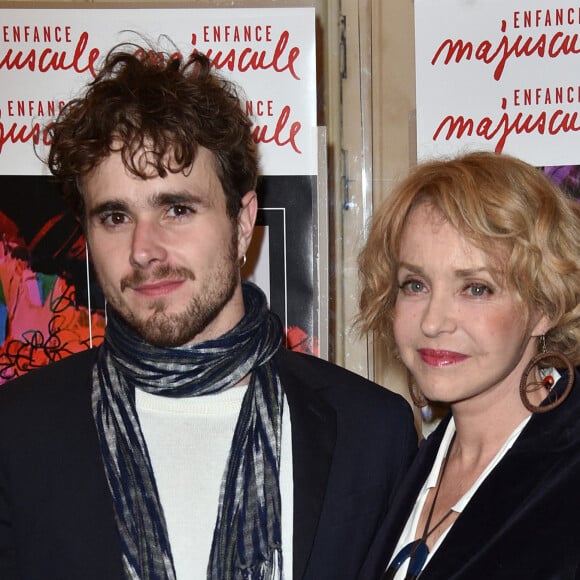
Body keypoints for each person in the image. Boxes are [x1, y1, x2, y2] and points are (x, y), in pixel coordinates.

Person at [0, 43, 417, 580]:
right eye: (114, 216)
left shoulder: (370, 433)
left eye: (176, 208)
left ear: (243, 223)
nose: (143, 250)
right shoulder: (18, 433)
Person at [356, 151, 580, 579]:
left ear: (544, 306)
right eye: (415, 284)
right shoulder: (403, 461)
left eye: (475, 288)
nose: (434, 321)